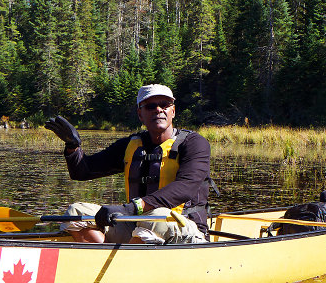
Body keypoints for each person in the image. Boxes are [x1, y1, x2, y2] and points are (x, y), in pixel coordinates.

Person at [45, 84, 211, 244]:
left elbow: (186, 187)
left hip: (185, 228)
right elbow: (83, 172)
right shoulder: (130, 145)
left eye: (164, 105)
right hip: (137, 225)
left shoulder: (194, 144)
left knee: (156, 216)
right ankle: (104, 260)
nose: (158, 110)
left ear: (173, 111)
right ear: (140, 114)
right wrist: (72, 147)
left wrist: (129, 209)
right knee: (75, 212)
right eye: (151, 106)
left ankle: (122, 263)